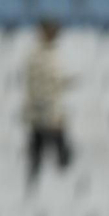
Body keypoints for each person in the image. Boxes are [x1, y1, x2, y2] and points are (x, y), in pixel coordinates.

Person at [24, 20, 73, 186]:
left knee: (54, 137)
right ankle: (36, 173)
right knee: (39, 139)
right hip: (41, 104)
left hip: (50, 104)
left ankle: (62, 167)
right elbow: (37, 81)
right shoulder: (37, 55)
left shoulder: (53, 53)